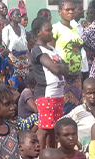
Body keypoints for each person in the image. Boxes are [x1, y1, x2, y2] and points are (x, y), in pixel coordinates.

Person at [32, 17, 69, 149]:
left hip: (58, 95)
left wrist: (60, 67)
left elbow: (66, 68)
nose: (52, 33)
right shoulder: (38, 50)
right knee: (44, 129)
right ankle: (42, 157)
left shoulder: (52, 49)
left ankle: (52, 154)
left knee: (54, 128)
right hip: (46, 95)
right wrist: (59, 66)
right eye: (48, 30)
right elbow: (56, 68)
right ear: (38, 32)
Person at [53, 1, 84, 115]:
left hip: (76, 76)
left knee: (76, 108)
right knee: (64, 106)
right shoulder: (55, 28)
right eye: (67, 10)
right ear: (60, 12)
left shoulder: (75, 29)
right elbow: (50, 50)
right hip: (63, 75)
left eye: (72, 9)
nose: (70, 12)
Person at [2, 8, 29, 88]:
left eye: (20, 14)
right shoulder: (7, 29)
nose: (19, 16)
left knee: (24, 83)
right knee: (14, 82)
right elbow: (4, 46)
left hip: (23, 60)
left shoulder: (22, 28)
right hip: (13, 60)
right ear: (11, 16)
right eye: (17, 14)